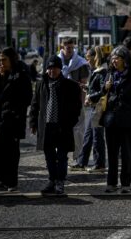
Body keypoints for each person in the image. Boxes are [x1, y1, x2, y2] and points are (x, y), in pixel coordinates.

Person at [29, 55, 82, 195]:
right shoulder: (41, 84)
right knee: (49, 155)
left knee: (62, 155)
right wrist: (33, 123)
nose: (52, 71)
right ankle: (52, 180)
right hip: (46, 126)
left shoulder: (70, 85)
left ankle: (60, 181)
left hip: (62, 126)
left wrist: (71, 121)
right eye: (50, 68)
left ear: (60, 69)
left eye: (55, 68)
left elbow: (77, 106)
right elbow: (35, 105)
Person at [100, 46, 131, 193]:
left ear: (125, 60)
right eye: (113, 58)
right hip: (110, 120)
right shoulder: (110, 75)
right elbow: (101, 94)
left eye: (118, 58)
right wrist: (105, 88)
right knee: (112, 154)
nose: (114, 61)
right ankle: (111, 183)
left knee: (126, 154)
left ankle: (126, 184)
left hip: (127, 121)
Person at [0, 47, 32, 192]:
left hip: (13, 118)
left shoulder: (21, 73)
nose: (1, 63)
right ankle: (1, 180)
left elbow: (27, 97)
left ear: (12, 59)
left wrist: (14, 109)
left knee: (11, 152)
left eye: (4, 60)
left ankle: (12, 182)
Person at [58, 38, 90, 170]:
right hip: (60, 102)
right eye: (67, 47)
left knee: (78, 131)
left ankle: (78, 157)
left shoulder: (80, 63)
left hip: (76, 102)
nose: (70, 50)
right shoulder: (57, 61)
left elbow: (83, 84)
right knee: (60, 130)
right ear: (62, 46)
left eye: (71, 47)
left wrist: (82, 103)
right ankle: (61, 156)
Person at [75, 46, 107, 173]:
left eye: (88, 59)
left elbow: (102, 91)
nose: (87, 62)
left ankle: (99, 164)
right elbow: (96, 88)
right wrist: (87, 87)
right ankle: (81, 162)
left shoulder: (102, 71)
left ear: (95, 58)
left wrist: (89, 96)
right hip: (95, 107)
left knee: (97, 137)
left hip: (98, 108)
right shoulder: (96, 71)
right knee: (88, 136)